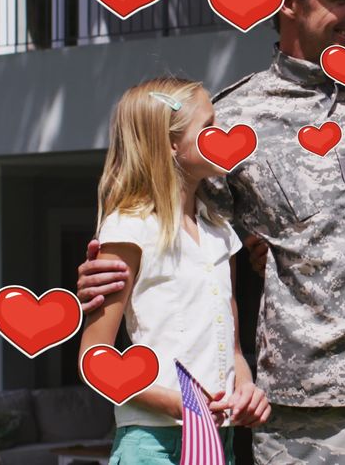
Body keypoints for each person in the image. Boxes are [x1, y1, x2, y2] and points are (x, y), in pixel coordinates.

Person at [77, 0, 345, 464]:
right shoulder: (231, 121)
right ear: (286, 2)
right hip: (303, 407)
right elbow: (173, 223)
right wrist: (107, 270)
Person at [79, 77, 270, 464]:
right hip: (151, 445)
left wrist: (246, 387)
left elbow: (231, 350)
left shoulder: (220, 231)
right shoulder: (127, 228)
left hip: (220, 442)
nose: (222, 135)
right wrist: (178, 404)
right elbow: (94, 359)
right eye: (209, 127)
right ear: (170, 145)